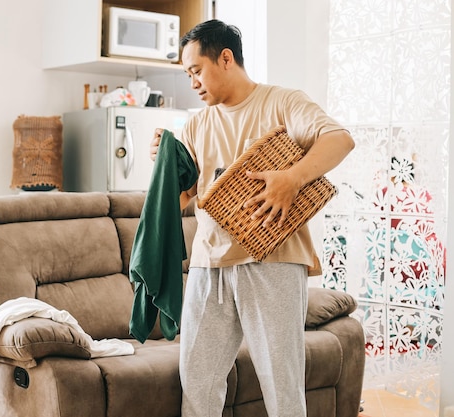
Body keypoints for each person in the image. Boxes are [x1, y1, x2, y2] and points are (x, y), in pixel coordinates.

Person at [149, 20, 355, 417]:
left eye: (196, 70)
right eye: (187, 74)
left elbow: (339, 139)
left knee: (282, 384)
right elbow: (178, 201)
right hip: (209, 265)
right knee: (198, 382)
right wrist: (163, 166)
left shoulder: (282, 103)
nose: (192, 82)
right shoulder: (196, 124)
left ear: (225, 58)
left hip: (273, 261)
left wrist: (291, 178)